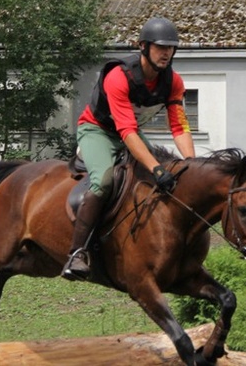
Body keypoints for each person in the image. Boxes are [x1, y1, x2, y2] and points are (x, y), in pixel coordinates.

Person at [62, 16, 196, 281]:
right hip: (98, 130)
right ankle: (77, 254)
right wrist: (156, 169)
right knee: (103, 181)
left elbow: (179, 127)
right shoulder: (118, 77)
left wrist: (193, 165)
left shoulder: (174, 82)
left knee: (170, 175)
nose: (166, 52)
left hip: (130, 133)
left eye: (171, 47)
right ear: (143, 47)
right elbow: (126, 131)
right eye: (160, 47)